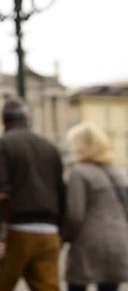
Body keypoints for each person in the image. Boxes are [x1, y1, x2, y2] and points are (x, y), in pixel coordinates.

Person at [0, 98, 65, 291]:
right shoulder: (50, 148)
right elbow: (61, 191)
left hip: (17, 230)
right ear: (28, 120)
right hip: (49, 232)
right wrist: (60, 229)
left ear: (4, 122)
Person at [62, 122, 128, 291]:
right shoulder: (118, 173)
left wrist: (63, 237)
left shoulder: (79, 172)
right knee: (109, 287)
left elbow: (75, 215)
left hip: (89, 243)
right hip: (118, 241)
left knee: (77, 285)